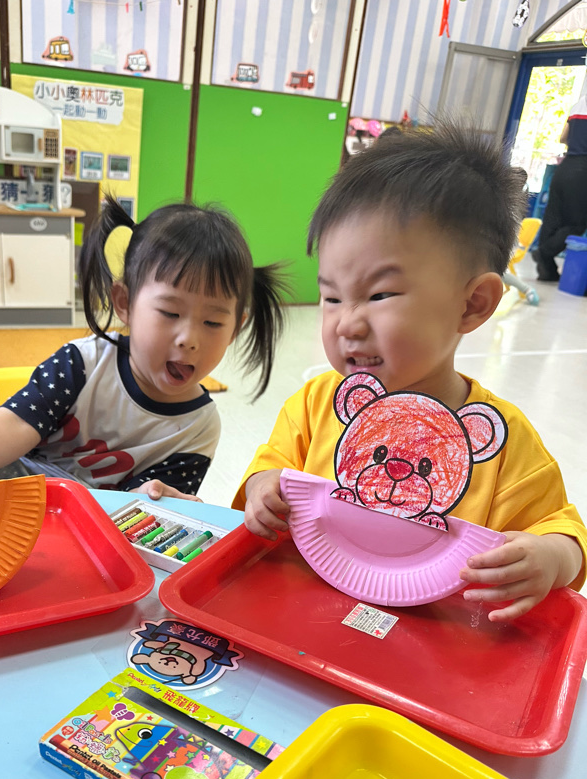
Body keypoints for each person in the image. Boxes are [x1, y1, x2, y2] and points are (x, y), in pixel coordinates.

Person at [235, 120, 587, 622]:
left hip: (436, 640)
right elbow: (270, 468)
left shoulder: (505, 442)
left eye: (379, 294)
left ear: (472, 304)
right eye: (331, 297)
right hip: (307, 615)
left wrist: (551, 556)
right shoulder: (314, 405)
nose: (347, 323)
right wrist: (262, 487)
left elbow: (562, 531)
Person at [0, 195, 285, 500]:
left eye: (213, 323)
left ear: (235, 329)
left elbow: (138, 508)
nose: (189, 339)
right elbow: (14, 427)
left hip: (97, 518)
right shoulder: (83, 363)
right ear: (124, 303)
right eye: (170, 313)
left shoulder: (197, 428)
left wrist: (158, 499)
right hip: (22, 493)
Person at [533, 79, 587, 281]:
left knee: (553, 220)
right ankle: (544, 253)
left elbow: (563, 138)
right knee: (577, 224)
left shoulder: (579, 103)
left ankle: (547, 271)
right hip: (583, 171)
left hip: (565, 168)